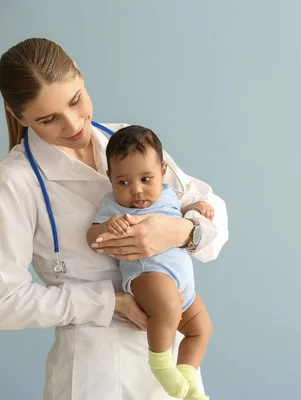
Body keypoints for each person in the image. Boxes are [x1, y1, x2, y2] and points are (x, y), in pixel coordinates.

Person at [0, 37, 228, 400]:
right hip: (95, 374)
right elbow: (3, 304)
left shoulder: (126, 141)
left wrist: (182, 230)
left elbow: (211, 215)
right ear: (19, 117)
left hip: (175, 365)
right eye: (48, 119)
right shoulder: (13, 181)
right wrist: (108, 301)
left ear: (79, 72)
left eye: (76, 100)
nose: (73, 125)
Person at [87, 125, 214, 400]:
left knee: (201, 329)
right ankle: (160, 364)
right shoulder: (113, 206)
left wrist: (194, 210)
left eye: (146, 179)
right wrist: (107, 226)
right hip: (148, 274)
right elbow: (92, 237)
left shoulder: (168, 194)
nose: (136, 191)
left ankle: (188, 376)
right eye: (123, 182)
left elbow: (181, 215)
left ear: (163, 171)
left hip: (183, 285)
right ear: (110, 178)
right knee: (168, 310)